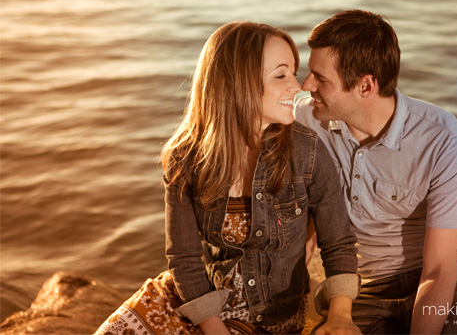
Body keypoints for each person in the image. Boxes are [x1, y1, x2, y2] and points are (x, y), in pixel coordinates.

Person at [95, 21, 361, 335]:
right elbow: (184, 257)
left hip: (269, 314)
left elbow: (339, 244)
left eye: (293, 71)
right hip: (198, 300)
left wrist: (341, 316)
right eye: (281, 75)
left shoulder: (308, 152)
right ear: (239, 84)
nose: (298, 86)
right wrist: (213, 328)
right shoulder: (186, 158)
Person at [294, 10, 457, 334]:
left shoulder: (444, 139)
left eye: (320, 78)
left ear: (365, 86)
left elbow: (438, 268)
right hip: (370, 285)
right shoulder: (308, 121)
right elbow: (308, 214)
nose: (306, 85)